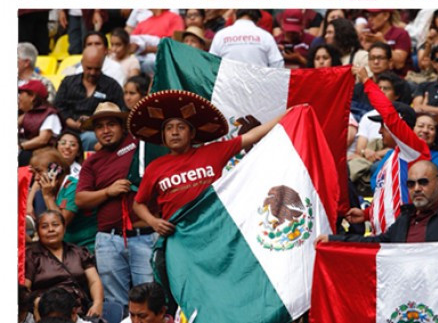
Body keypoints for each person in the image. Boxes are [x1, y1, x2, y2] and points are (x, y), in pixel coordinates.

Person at [130, 90, 281, 232]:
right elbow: (138, 203)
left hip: (214, 230)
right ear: (163, 136)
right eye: (169, 128)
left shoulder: (214, 152)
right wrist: (153, 222)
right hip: (177, 237)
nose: (175, 132)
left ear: (192, 134)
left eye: (181, 127)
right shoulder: (155, 167)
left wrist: (289, 114)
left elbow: (251, 136)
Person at [73, 103, 153, 323]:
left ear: (122, 126)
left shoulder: (139, 146)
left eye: (111, 124)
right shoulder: (92, 161)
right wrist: (108, 191)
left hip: (144, 235)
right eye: (99, 126)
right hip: (108, 239)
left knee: (148, 297)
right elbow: (80, 199)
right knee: (115, 304)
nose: (105, 130)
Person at [328, 160, 438, 243]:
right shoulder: (403, 220)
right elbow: (374, 243)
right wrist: (333, 240)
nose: (417, 189)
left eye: (423, 182)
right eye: (411, 184)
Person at [23, 211, 104, 322]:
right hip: (48, 314)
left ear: (64, 228)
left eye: (55, 225)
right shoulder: (31, 255)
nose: (51, 229)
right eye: (44, 226)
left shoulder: (78, 251)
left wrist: (97, 303)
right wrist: (37, 304)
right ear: (38, 231)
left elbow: (94, 281)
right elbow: (25, 289)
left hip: (79, 312)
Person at [54, 48, 126, 151]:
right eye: (89, 68)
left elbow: (119, 112)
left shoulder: (112, 86)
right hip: (69, 129)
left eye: (97, 69)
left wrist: (92, 123)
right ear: (82, 64)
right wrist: (73, 123)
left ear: (102, 65)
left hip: (98, 131)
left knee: (90, 138)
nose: (92, 72)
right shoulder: (68, 82)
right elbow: (59, 107)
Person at [208, 9, 284, 67]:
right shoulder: (265, 36)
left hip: (228, 85)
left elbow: (212, 64)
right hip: (258, 84)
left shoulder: (221, 35)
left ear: (235, 16)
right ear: (258, 20)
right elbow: (278, 65)